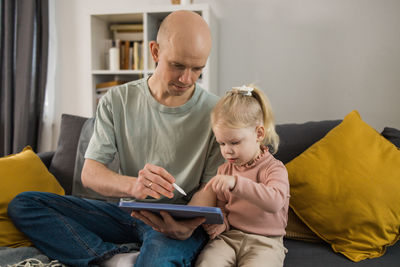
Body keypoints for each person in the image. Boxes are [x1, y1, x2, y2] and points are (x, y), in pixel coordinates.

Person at [8, 10, 224, 267]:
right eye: (177, 65)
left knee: (154, 262)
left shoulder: (218, 112)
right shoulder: (117, 100)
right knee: (24, 204)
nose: (187, 79)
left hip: (178, 221)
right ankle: (114, 258)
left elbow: (211, 187)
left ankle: (112, 257)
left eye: (197, 69)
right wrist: (134, 186)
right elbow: (91, 173)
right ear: (155, 52)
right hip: (129, 212)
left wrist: (188, 227)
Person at [195, 85, 290, 267]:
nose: (227, 151)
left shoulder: (274, 169)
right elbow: (222, 205)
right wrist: (221, 222)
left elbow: (275, 202)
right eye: (221, 143)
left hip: (266, 242)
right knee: (207, 262)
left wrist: (236, 183)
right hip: (230, 238)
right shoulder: (224, 171)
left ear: (259, 134)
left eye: (234, 142)